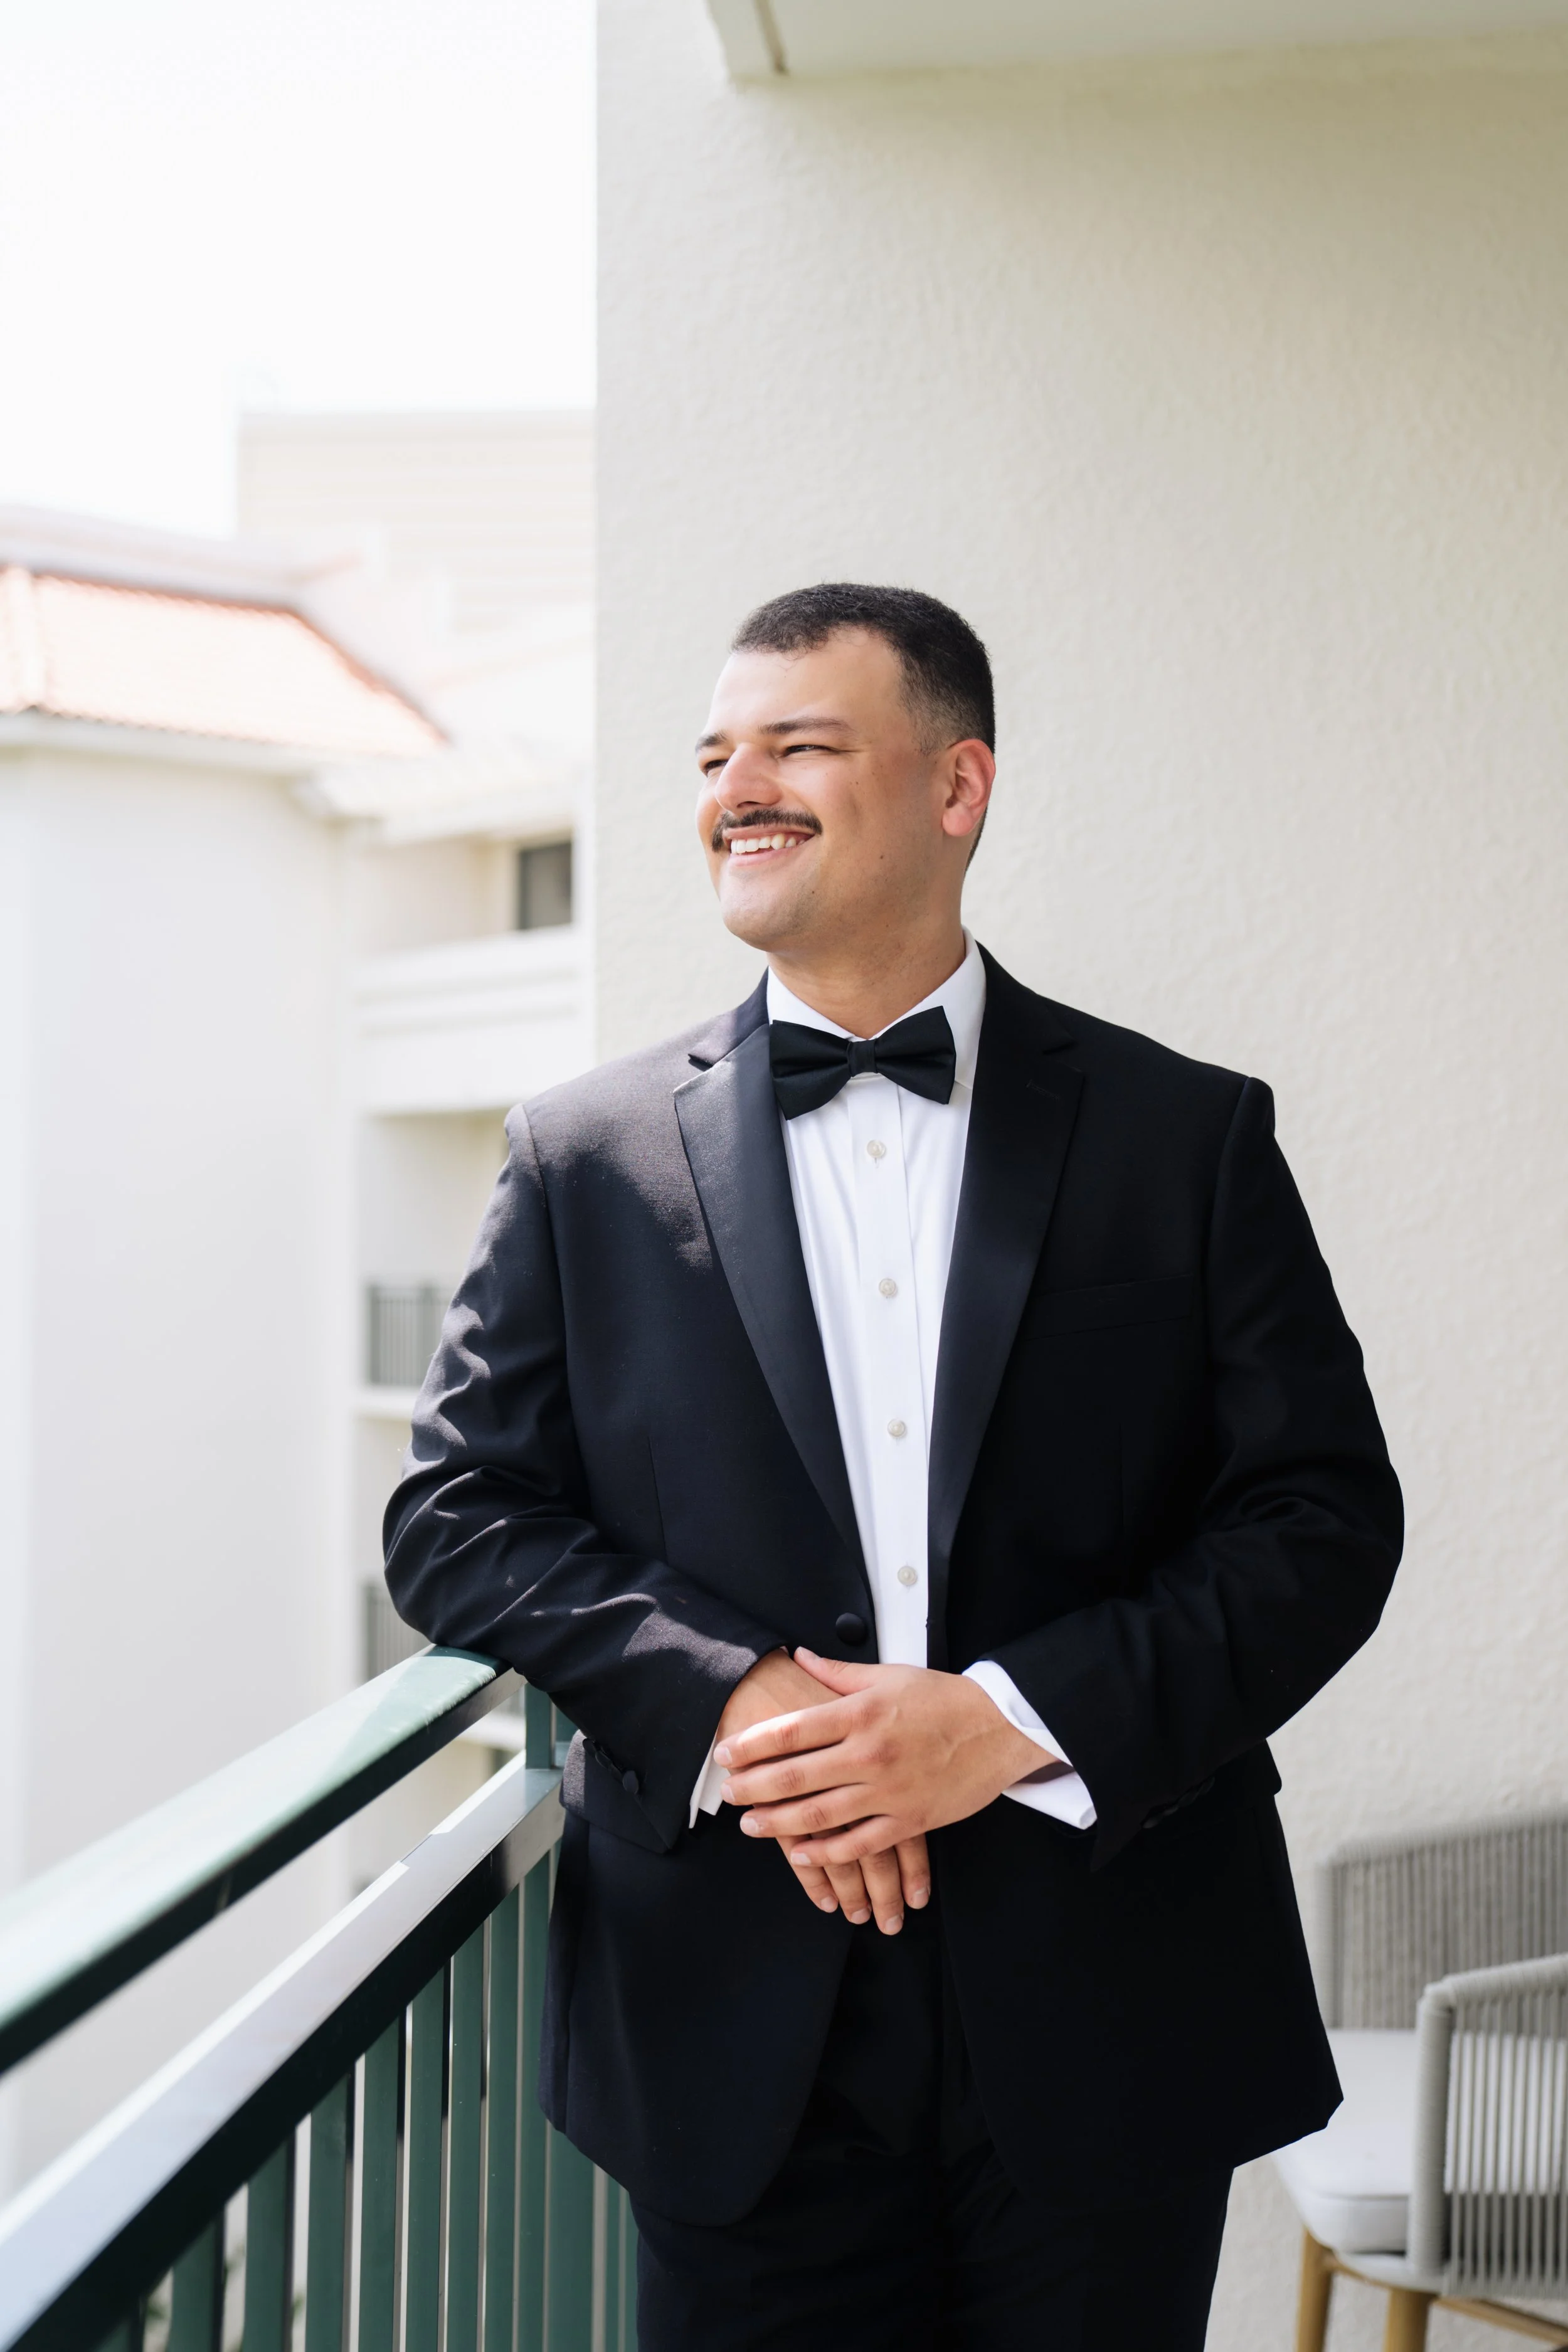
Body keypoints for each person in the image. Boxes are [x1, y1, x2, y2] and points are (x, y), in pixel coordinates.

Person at [383, 582, 1402, 2351]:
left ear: (956, 786)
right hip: (726, 2012)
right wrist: (751, 1704)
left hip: (1109, 1982)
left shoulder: (1187, 1133)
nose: (737, 785)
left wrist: (1006, 1717)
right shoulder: (580, 1156)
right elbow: (457, 1517)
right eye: (715, 753)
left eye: (798, 743)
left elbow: (1321, 1517)